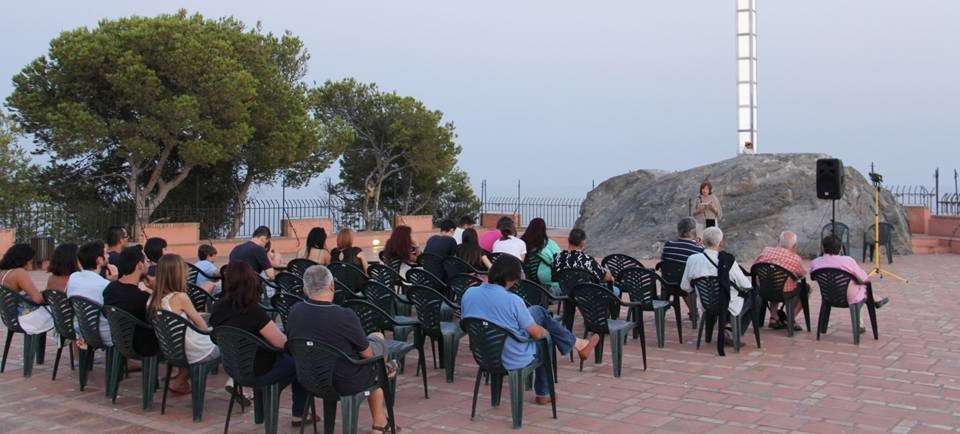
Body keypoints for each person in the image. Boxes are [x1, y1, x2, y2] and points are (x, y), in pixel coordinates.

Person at [461, 256, 599, 405]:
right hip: (512, 357)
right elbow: (537, 334)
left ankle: (578, 344)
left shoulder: (469, 293)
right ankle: (544, 392)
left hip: (484, 354)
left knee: (537, 312)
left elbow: (468, 323)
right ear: (512, 279)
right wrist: (546, 332)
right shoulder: (512, 301)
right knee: (546, 338)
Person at [286, 265, 395, 433]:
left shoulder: (294, 311)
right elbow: (367, 354)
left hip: (309, 377)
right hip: (344, 381)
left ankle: (380, 419)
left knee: (372, 360)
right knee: (377, 342)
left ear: (305, 289)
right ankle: (385, 375)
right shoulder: (344, 315)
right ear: (332, 286)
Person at [209, 261, 310, 426]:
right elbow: (281, 344)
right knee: (299, 361)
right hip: (260, 370)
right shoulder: (253, 311)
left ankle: (262, 414)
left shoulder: (217, 307)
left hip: (233, 367)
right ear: (251, 282)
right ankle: (299, 414)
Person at [148, 253, 219, 394]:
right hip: (193, 351)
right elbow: (203, 328)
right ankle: (240, 388)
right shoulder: (180, 297)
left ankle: (181, 381)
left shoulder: (151, 300)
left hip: (171, 350)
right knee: (229, 343)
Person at [680, 227, 752, 341]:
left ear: (702, 241)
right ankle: (732, 329)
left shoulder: (692, 259)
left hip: (706, 304)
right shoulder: (727, 261)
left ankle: (725, 327)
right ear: (721, 242)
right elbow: (746, 285)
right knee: (754, 298)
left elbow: (685, 287)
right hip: (728, 304)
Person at [811, 235, 890, 333]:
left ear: (822, 247)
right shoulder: (847, 261)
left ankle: (875, 301)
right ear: (840, 249)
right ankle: (861, 321)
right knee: (862, 287)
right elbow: (864, 278)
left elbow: (813, 277)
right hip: (850, 297)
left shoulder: (815, 262)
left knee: (858, 287)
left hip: (828, 295)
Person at [103, 245, 159, 358]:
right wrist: (156, 291)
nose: (149, 264)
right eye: (147, 261)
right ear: (139, 265)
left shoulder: (110, 289)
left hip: (119, 342)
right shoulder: (142, 297)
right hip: (143, 346)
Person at [754, 231, 808, 330]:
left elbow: (755, 266)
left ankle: (774, 317)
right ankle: (789, 318)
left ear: (778, 241)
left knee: (773, 280)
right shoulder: (795, 259)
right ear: (795, 245)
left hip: (763, 290)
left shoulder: (766, 250)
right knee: (806, 289)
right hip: (784, 293)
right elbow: (801, 275)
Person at [66, 240, 117, 346]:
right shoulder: (105, 285)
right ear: (99, 260)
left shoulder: (73, 277)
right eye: (106, 253)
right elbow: (116, 310)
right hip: (103, 334)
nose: (108, 256)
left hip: (82, 330)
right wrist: (114, 282)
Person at [0, 244, 54, 334]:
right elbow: (38, 299)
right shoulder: (19, 273)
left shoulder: (3, 273)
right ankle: (68, 344)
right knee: (63, 315)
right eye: (31, 258)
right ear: (23, 258)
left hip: (10, 318)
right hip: (26, 320)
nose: (32, 261)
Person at [552, 228, 620, 296]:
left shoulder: (557, 258)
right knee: (616, 290)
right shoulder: (587, 260)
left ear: (568, 239)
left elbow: (554, 277)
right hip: (588, 296)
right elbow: (607, 277)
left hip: (567, 293)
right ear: (582, 242)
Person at [520, 218, 562, 288]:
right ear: (544, 229)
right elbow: (559, 259)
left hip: (525, 277)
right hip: (543, 278)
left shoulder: (522, 242)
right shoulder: (549, 243)